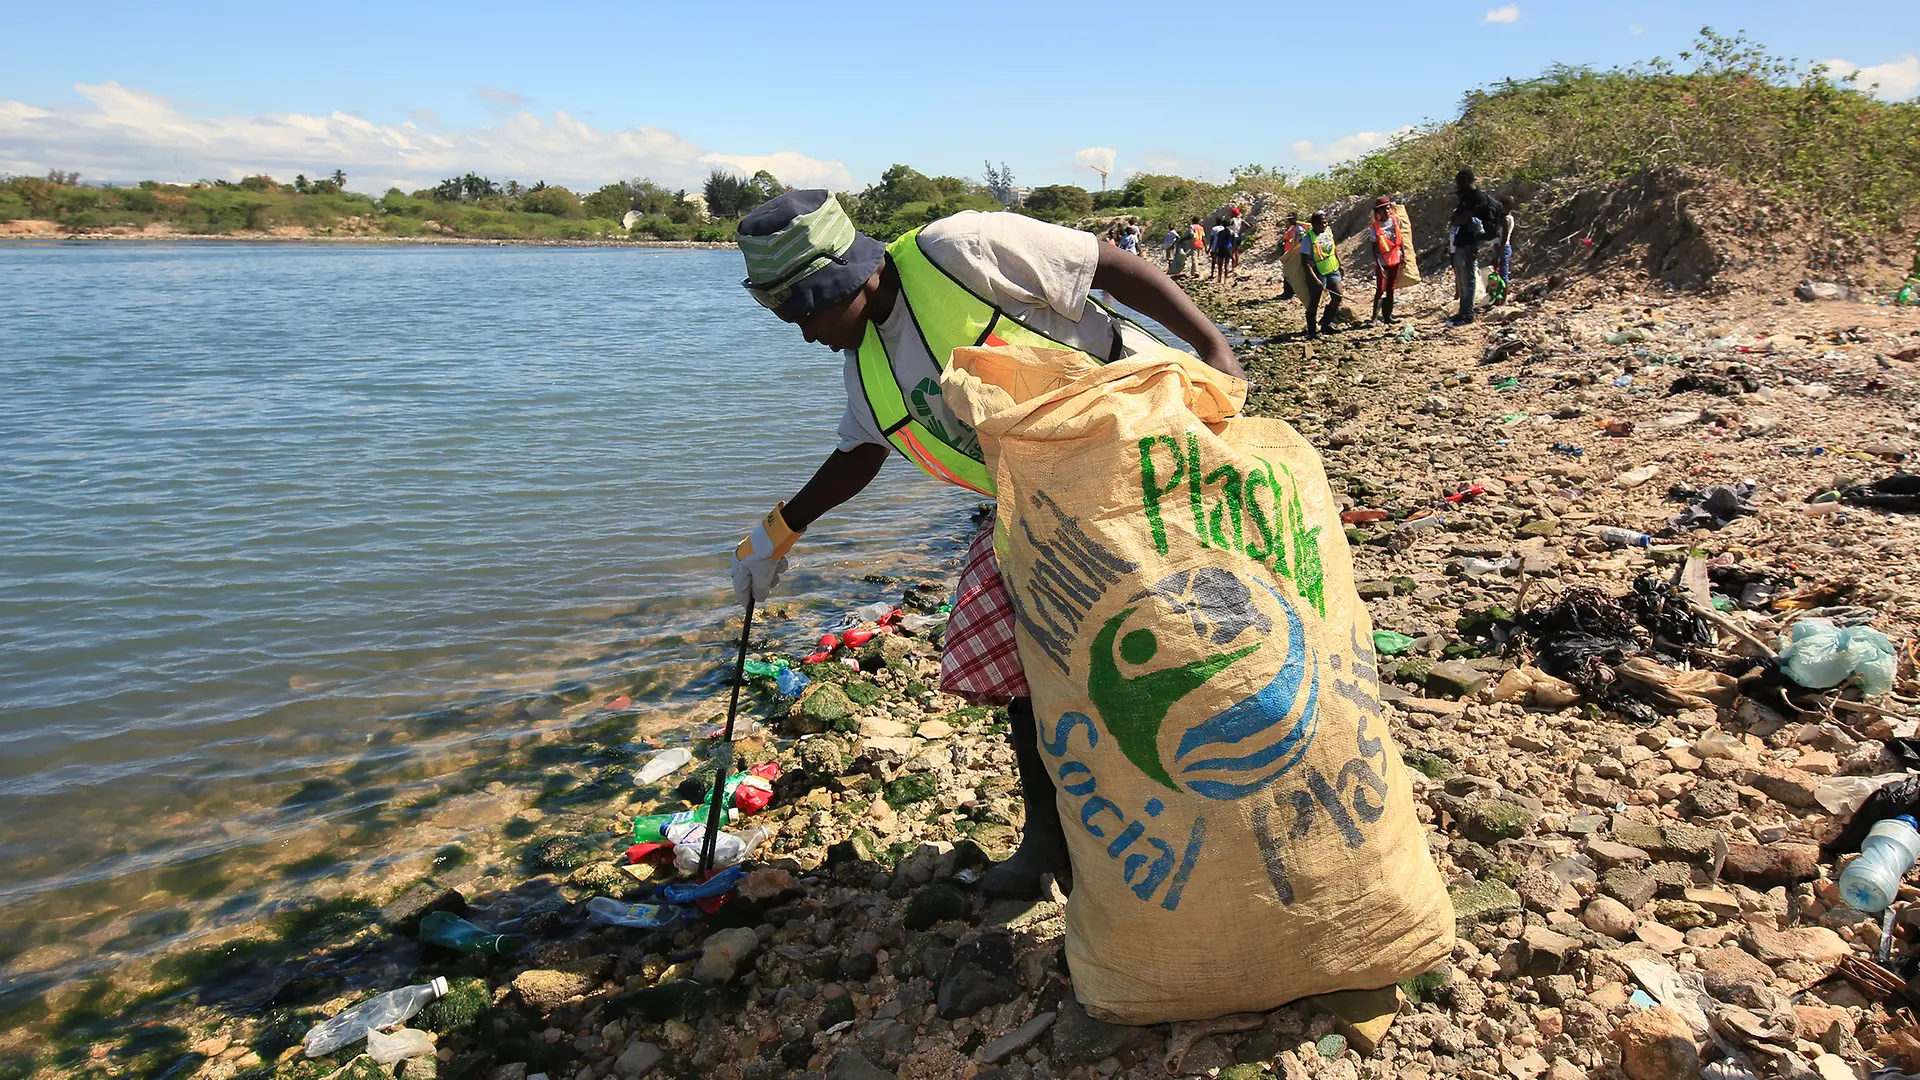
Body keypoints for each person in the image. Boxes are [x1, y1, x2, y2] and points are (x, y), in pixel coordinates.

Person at [729, 190, 1244, 900]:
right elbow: (857, 455)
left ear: (841, 281)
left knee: (1192, 633)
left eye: (803, 312)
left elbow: (1109, 267)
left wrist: (1213, 349)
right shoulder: (867, 371)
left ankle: (1224, 803)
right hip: (1046, 507)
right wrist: (775, 534)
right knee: (1025, 657)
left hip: (1145, 442)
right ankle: (1048, 845)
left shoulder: (960, 248)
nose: (804, 333)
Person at [1447, 167, 1500, 326]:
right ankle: (1463, 312)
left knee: (1468, 280)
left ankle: (1467, 314)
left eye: (1459, 182)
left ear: (1465, 180)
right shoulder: (1468, 198)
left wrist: (1457, 218)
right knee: (1463, 281)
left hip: (1469, 243)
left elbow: (1462, 218)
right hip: (1462, 242)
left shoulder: (1477, 198)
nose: (1457, 186)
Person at [1301, 211, 1343, 338]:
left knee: (1338, 296)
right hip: (1317, 272)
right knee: (1314, 301)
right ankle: (1312, 331)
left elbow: (1334, 249)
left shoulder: (1328, 231)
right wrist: (1315, 279)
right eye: (1321, 223)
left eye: (1326, 221)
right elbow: (1305, 262)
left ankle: (1326, 324)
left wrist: (1340, 264)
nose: (1325, 224)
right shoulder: (1308, 238)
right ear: (1314, 224)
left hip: (1332, 268)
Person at [1369, 196, 1405, 325]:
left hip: (1395, 258)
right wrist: (1378, 265)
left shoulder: (1395, 220)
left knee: (1391, 288)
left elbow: (1402, 240)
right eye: (1383, 209)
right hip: (1382, 261)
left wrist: (1404, 257)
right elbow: (1374, 248)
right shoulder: (1375, 226)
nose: (1387, 211)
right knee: (1380, 288)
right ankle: (1374, 318)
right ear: (1378, 212)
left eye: (1388, 208)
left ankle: (1387, 316)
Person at [1278, 211, 1307, 301]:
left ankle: (1289, 293)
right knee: (1287, 273)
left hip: (1294, 254)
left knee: (1289, 272)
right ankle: (1288, 292)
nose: (1289, 221)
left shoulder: (1299, 229)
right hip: (1288, 252)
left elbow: (1302, 239)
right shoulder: (1292, 228)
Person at [1493, 195, 1516, 297]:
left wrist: (1498, 255)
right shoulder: (1505, 218)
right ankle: (1499, 297)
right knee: (1499, 273)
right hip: (1500, 247)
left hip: (1503, 248)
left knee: (1503, 274)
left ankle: (1503, 299)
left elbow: (1504, 238)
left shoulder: (1506, 220)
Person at [1210, 218, 1234, 283]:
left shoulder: (1220, 233)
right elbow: (1233, 242)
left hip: (1221, 248)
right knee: (1227, 264)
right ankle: (1225, 279)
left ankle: (1219, 278)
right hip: (1228, 248)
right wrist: (1232, 251)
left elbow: (1218, 242)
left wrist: (1215, 250)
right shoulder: (1232, 232)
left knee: (1220, 265)